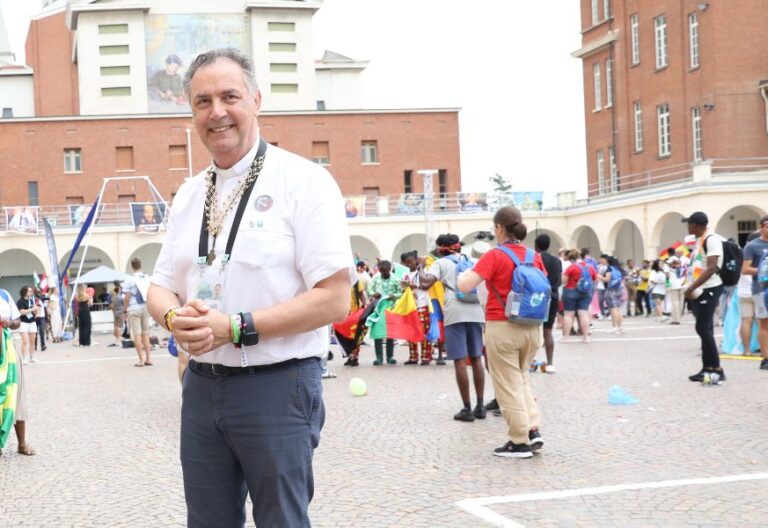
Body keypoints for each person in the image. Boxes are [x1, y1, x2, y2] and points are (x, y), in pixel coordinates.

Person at [146, 48, 352, 528]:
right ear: (191, 112)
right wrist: (178, 321)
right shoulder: (190, 194)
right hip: (201, 385)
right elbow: (159, 287)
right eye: (202, 101)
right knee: (208, 521)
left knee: (282, 520)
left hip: (277, 386)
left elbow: (334, 298)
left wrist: (235, 328)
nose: (217, 112)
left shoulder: (305, 181)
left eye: (229, 96)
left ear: (257, 99)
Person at [457, 206, 544, 458]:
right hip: (532, 326)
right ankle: (533, 428)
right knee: (522, 379)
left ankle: (519, 441)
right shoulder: (532, 255)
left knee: (507, 384)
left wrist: (464, 272)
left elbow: (465, 286)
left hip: (502, 326)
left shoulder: (495, 255)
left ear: (499, 228)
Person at [420, 234, 486, 422]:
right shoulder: (473, 261)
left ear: (441, 248)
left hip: (454, 311)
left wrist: (421, 266)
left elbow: (425, 283)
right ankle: (480, 406)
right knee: (476, 358)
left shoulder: (440, 263)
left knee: (459, 360)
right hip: (475, 309)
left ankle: (467, 408)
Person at [683, 212, 726, 383]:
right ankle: (706, 368)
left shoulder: (711, 239)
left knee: (702, 328)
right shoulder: (701, 240)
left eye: (689, 224)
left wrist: (692, 287)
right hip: (702, 289)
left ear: (696, 225)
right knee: (705, 327)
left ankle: (717, 369)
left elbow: (711, 268)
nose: (688, 227)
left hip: (711, 287)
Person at [0, 287, 35, 456]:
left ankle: (22, 443)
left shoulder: (5, 295)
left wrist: (8, 322)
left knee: (16, 393)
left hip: (8, 352)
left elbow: (17, 321)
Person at [741, 215, 768, 370]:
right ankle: (765, 357)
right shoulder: (752, 246)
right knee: (764, 324)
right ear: (761, 227)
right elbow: (745, 269)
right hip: (760, 290)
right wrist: (764, 271)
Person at [366, 260, 403, 365]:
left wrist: (394, 296)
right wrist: (374, 293)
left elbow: (401, 292)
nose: (383, 273)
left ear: (389, 270)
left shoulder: (396, 279)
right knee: (378, 332)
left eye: (385, 271)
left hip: (391, 308)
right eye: (381, 271)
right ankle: (379, 358)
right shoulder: (375, 278)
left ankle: (390, 357)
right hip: (378, 308)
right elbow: (369, 290)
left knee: (390, 333)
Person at [534, 234, 561, 372]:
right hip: (554, 295)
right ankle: (550, 363)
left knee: (532, 329)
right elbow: (559, 280)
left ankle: (530, 361)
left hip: (537, 297)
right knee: (548, 331)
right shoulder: (557, 260)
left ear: (536, 245)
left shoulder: (535, 258)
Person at [401, 250, 433, 365]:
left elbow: (426, 286)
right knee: (411, 332)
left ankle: (426, 356)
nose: (409, 264)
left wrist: (415, 286)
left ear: (416, 261)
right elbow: (403, 291)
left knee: (424, 332)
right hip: (410, 307)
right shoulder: (405, 275)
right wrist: (405, 289)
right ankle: (413, 357)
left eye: (411, 262)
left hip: (422, 305)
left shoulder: (423, 272)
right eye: (406, 263)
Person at [561, 250, 596, 343]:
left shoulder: (572, 267)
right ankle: (585, 337)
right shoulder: (590, 267)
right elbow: (594, 279)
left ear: (571, 259)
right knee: (583, 314)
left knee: (568, 314)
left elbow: (563, 280)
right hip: (585, 292)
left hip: (571, 291)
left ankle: (566, 338)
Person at [123, 258, 152, 366]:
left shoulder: (129, 279)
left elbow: (127, 297)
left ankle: (141, 360)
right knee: (146, 333)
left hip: (134, 308)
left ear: (132, 266)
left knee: (137, 335)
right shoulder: (146, 277)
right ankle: (149, 358)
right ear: (140, 265)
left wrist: (125, 310)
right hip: (145, 307)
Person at [600, 256, 624, 334]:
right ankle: (620, 327)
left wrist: (600, 277)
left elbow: (607, 279)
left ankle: (615, 327)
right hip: (619, 289)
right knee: (617, 309)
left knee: (613, 309)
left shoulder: (609, 268)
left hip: (611, 290)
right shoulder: (618, 269)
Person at [16, 286, 38, 363]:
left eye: (31, 291)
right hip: (23, 323)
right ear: (25, 292)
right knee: (25, 341)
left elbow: (34, 312)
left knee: (33, 341)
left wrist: (36, 311)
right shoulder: (20, 301)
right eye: (29, 291)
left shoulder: (32, 301)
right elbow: (22, 312)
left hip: (32, 322)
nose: (31, 292)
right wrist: (32, 309)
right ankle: (24, 358)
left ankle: (32, 357)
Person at [667, 256, 687, 324]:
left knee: (675, 302)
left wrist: (667, 285)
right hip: (683, 285)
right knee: (681, 302)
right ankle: (679, 317)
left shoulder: (669, 269)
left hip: (674, 286)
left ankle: (676, 319)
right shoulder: (683, 268)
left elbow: (667, 277)